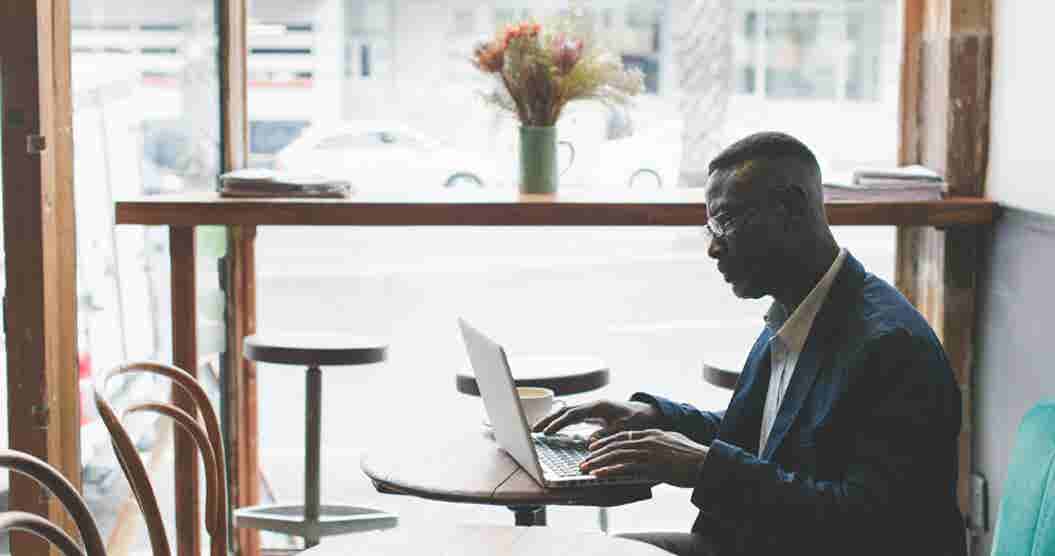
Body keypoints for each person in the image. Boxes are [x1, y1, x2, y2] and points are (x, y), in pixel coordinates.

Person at [535, 132, 966, 556]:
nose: (714, 248)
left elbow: (863, 522)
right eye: (710, 227)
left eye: (726, 221)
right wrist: (657, 418)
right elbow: (770, 432)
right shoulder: (796, 309)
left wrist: (703, 468)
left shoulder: (893, 348)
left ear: (792, 208)